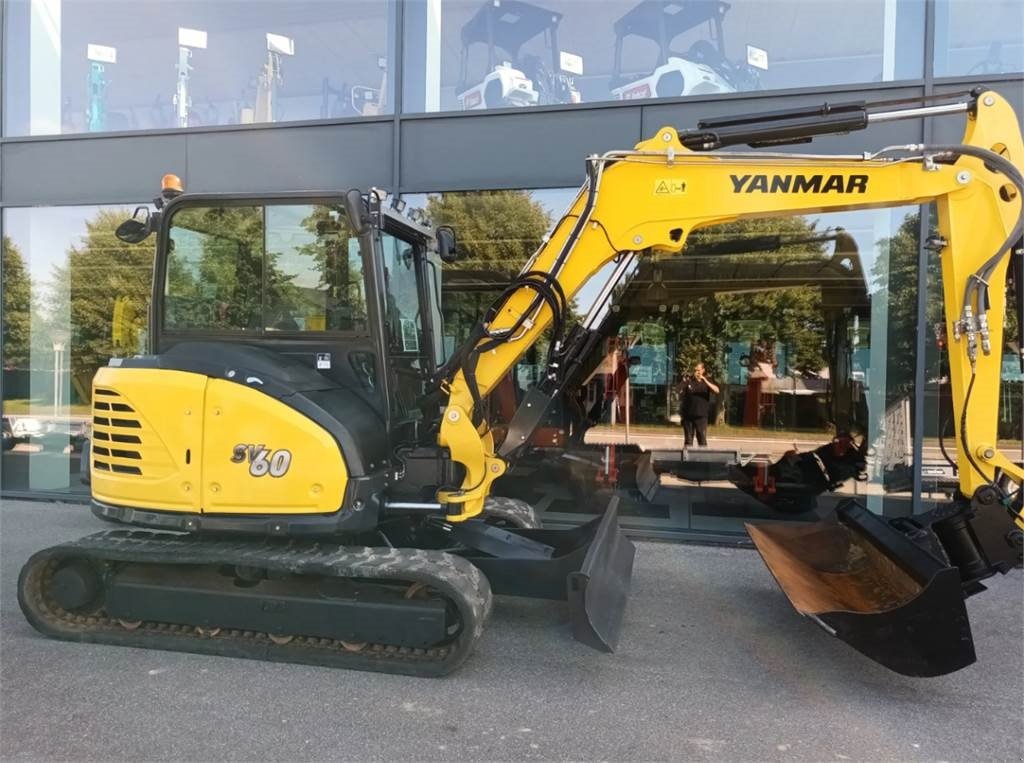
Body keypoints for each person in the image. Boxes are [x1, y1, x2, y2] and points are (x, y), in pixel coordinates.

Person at [679, 362, 720, 447]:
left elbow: (717, 390)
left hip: (701, 415)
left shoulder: (708, 380)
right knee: (688, 439)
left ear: (703, 370)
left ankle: (703, 458)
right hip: (688, 415)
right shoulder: (689, 380)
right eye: (695, 370)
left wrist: (704, 380)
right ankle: (687, 459)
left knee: (701, 437)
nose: (696, 372)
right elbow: (679, 389)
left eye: (698, 370)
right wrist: (683, 382)